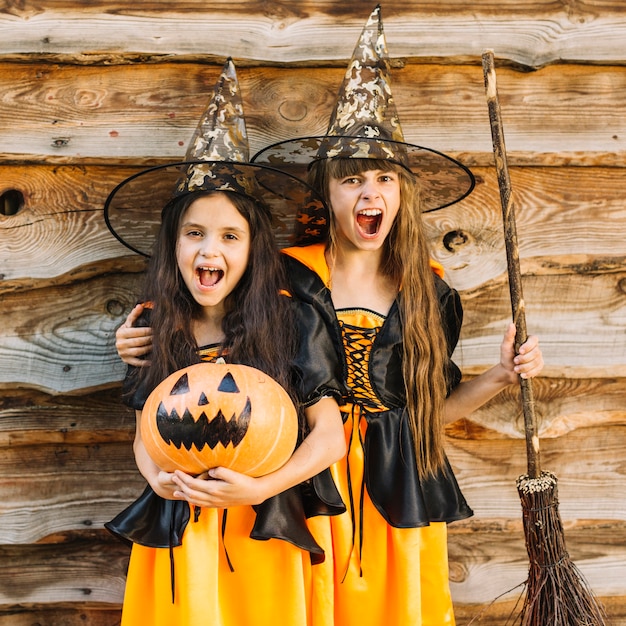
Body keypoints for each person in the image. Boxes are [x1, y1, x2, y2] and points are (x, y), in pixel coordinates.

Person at [116, 8, 544, 625]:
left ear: (402, 194)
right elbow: (204, 313)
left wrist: (498, 379)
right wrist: (138, 337)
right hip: (296, 471)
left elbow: (426, 413)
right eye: (351, 180)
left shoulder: (429, 293)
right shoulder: (285, 274)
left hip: (389, 477)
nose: (369, 193)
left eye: (383, 180)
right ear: (326, 194)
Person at [104, 58, 345, 626]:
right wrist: (153, 475)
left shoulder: (292, 323)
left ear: (252, 251)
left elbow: (330, 436)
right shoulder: (153, 325)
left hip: (263, 525)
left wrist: (259, 486)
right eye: (195, 234)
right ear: (174, 246)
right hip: (180, 527)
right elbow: (145, 428)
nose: (209, 252)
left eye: (229, 236)